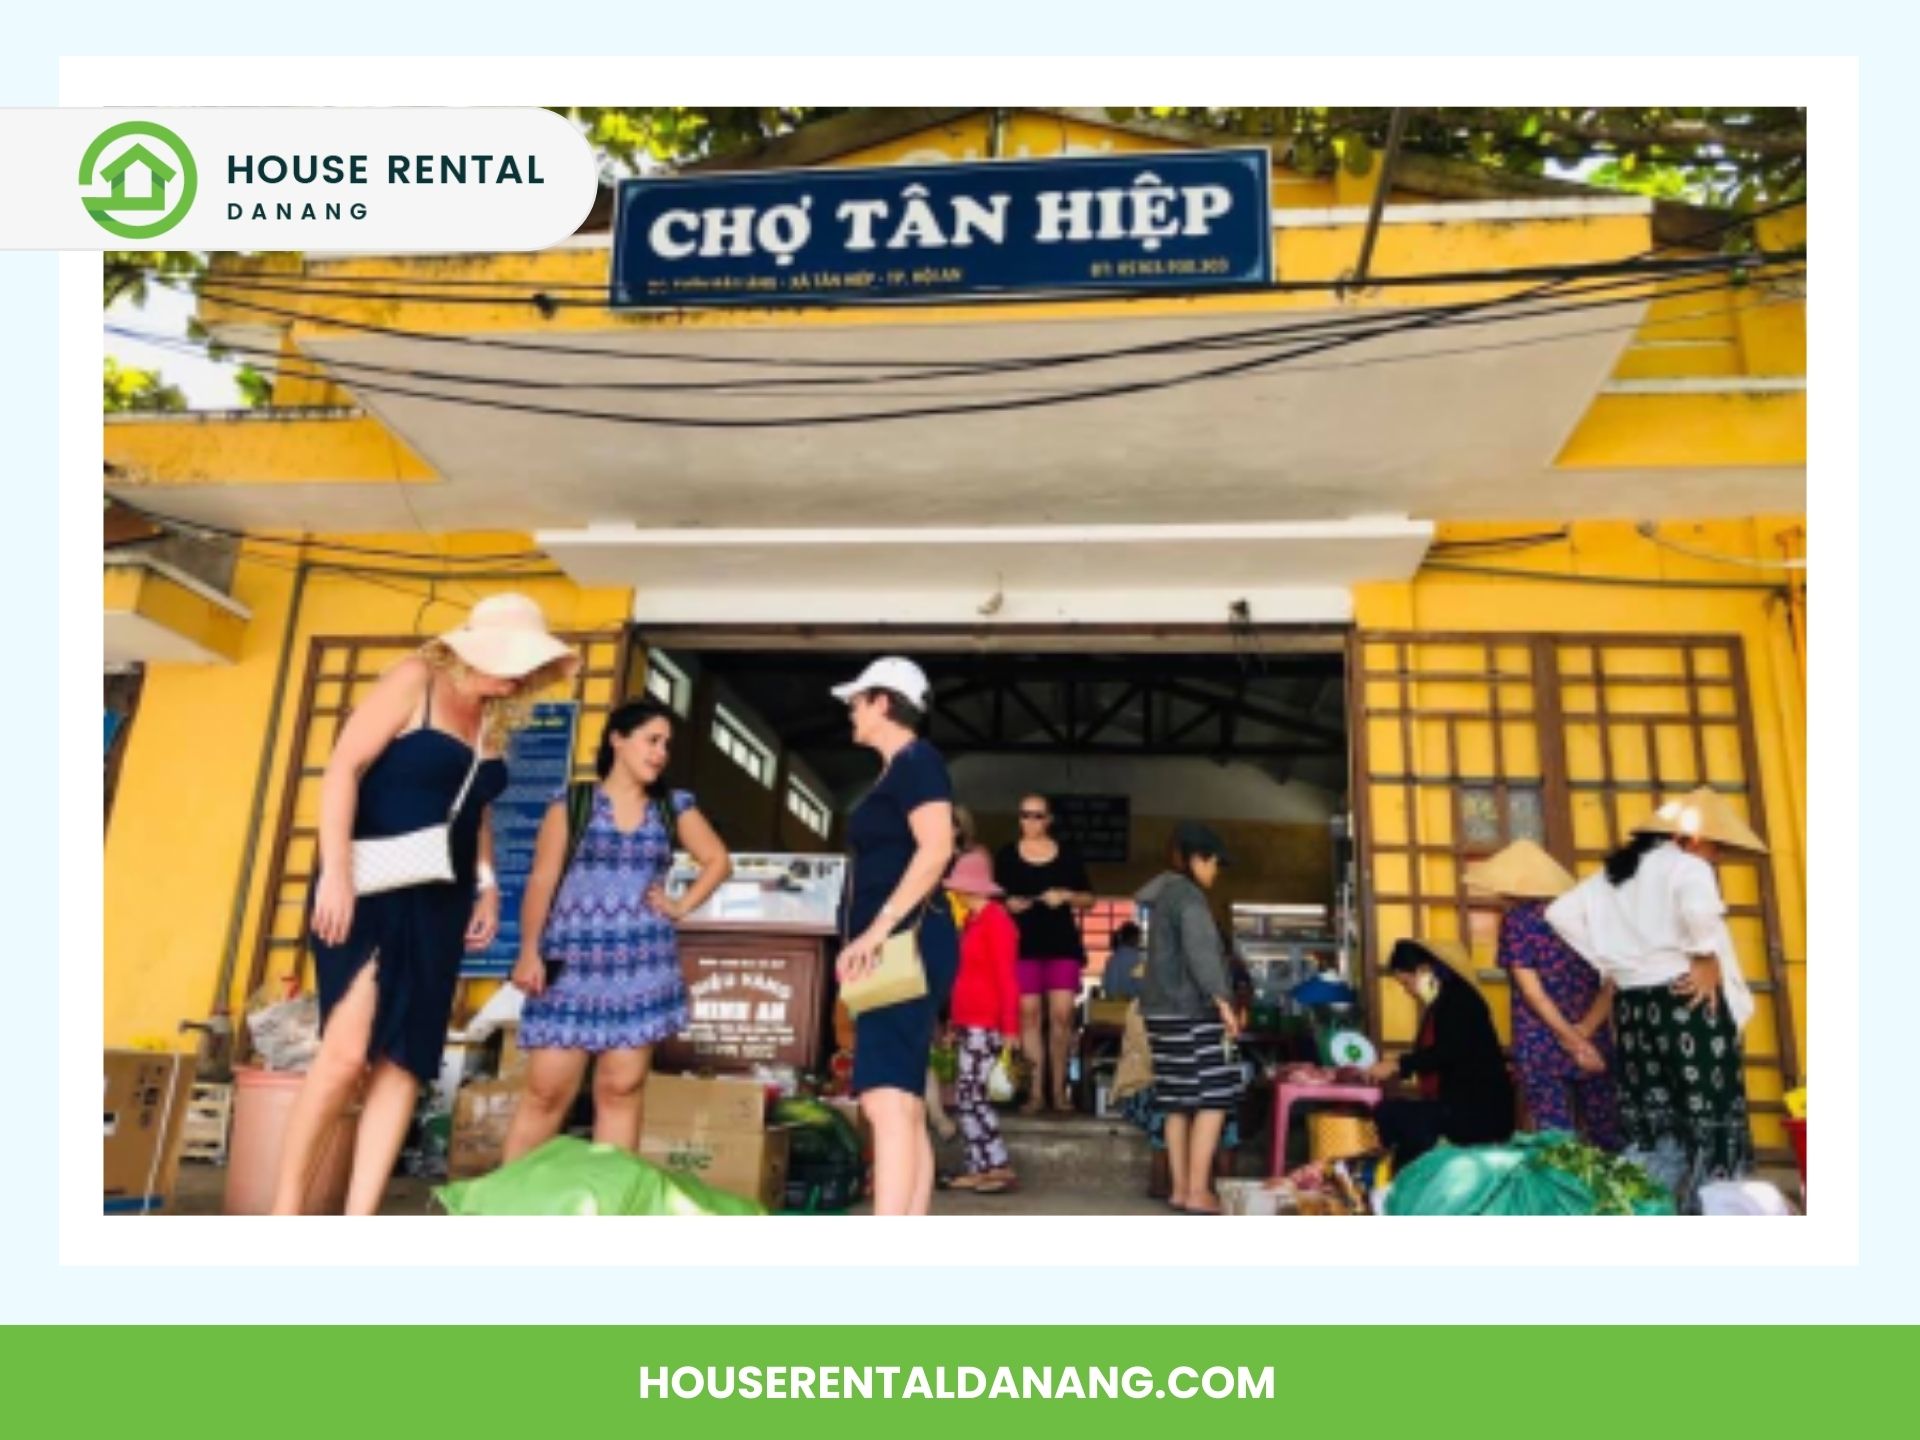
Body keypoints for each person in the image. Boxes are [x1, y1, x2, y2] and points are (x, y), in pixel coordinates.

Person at [274, 594, 578, 1215]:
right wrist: (335, 870)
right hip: (368, 885)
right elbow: (342, 769)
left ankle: (360, 1220)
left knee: (406, 1062)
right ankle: (286, 1211)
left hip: (441, 898)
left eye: (528, 668)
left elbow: (476, 810)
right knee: (346, 1055)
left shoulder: (493, 717)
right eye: (513, 662)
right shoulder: (416, 680)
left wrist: (488, 883)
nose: (519, 678)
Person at [501, 699, 733, 1162]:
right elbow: (541, 881)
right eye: (652, 740)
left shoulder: (672, 806)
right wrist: (528, 950)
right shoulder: (574, 803)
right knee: (546, 1093)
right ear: (617, 740)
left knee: (621, 1090)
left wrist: (680, 904)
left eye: (666, 744)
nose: (661, 752)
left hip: (642, 969)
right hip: (568, 970)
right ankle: (506, 1210)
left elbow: (718, 860)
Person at [1546, 787, 1765, 1210]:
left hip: (1632, 1006)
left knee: (1651, 1111)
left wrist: (1613, 963)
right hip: (1685, 999)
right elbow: (1700, 914)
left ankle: (1647, 1205)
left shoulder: (1612, 876)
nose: (1715, 857)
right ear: (1694, 838)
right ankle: (1708, 1210)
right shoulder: (1688, 867)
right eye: (1716, 847)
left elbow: (1559, 914)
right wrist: (1703, 956)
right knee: (1707, 1110)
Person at [831, 657, 958, 1216]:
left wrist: (876, 932)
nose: (850, 712)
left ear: (883, 702)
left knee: (886, 1098)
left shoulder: (917, 761)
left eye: (856, 701)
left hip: (902, 943)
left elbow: (936, 848)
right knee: (900, 1100)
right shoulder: (897, 770)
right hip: (900, 943)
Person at [1465, 840, 1623, 1151]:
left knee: (1556, 1137)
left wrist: (1567, 1037)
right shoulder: (1587, 917)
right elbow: (1614, 979)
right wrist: (1584, 1033)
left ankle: (1564, 1194)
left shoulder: (1518, 922)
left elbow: (1532, 992)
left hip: (1542, 1038)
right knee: (1606, 1129)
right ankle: (1617, 1195)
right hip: (1593, 1036)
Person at [1134, 821, 1243, 1214]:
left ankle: (1181, 1189)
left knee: (1177, 1101)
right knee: (1214, 1099)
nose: (1215, 872)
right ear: (1198, 859)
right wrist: (1224, 1003)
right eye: (1214, 863)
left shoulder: (1163, 896)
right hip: (1190, 1012)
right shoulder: (1191, 899)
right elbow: (1202, 955)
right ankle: (1199, 1191)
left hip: (1160, 1013)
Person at [1364, 939, 1516, 1167]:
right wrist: (1397, 1062)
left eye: (1407, 983)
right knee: (1397, 1115)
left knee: (1393, 1116)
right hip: (1461, 1104)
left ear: (1424, 971)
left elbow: (1449, 1052)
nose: (1408, 991)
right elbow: (1440, 1050)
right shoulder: (1446, 1001)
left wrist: (1399, 1065)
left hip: (1479, 1111)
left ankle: (1406, 1184)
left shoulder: (1460, 1001)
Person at [994, 795, 1095, 1114]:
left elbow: (1089, 898)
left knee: (1063, 1016)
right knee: (1029, 1015)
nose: (1030, 821)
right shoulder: (1007, 855)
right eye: (1025, 815)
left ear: (1048, 819)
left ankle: (1059, 1090)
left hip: (1061, 943)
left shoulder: (1067, 856)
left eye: (1037, 816)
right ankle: (1035, 1092)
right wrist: (1006, 903)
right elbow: (993, 897)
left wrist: (1065, 895)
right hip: (1022, 944)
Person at [940, 850, 1022, 1193]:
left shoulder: (996, 922)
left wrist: (1010, 1027)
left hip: (986, 1024)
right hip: (971, 1022)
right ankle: (979, 1165)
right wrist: (953, 1023)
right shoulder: (974, 922)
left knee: (972, 1095)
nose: (954, 893)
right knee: (967, 1095)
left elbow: (1007, 977)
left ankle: (997, 1165)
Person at [1101, 922, 1146, 1000]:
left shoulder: (1112, 959)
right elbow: (1140, 986)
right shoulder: (1138, 961)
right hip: (1130, 1007)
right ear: (1135, 938)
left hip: (1111, 1006)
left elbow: (1106, 984)